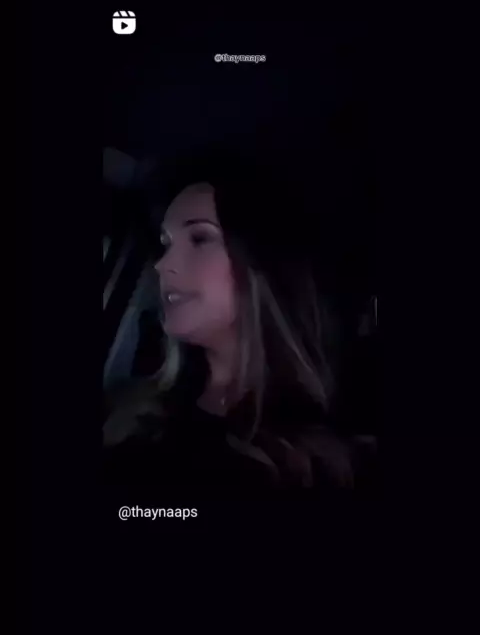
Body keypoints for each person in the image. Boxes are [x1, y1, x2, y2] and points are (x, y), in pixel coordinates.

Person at [103, 159, 377, 497]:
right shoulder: (130, 404)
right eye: (166, 243)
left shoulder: (319, 462)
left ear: (262, 263)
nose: (162, 264)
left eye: (200, 238)